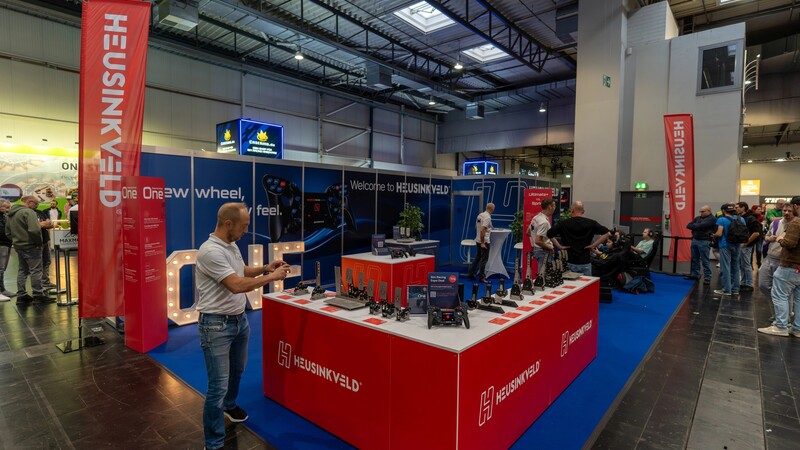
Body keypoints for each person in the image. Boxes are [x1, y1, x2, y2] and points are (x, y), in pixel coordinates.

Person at [195, 202, 289, 450]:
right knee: (217, 386)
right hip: (216, 325)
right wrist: (271, 278)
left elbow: (241, 271)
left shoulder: (231, 244)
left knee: (237, 371)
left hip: (239, 320)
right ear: (228, 224)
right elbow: (235, 284)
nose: (246, 230)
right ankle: (213, 443)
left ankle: (230, 406)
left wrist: (264, 268)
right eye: (244, 226)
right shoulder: (209, 251)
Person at [758, 196, 800, 337]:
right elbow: (768, 236)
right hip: (783, 262)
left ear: (796, 207)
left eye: (790, 208)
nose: (787, 212)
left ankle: (781, 324)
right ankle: (797, 328)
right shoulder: (777, 223)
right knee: (796, 298)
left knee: (781, 295)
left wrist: (781, 238)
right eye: (784, 209)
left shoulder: (796, 223)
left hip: (789, 265)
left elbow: (789, 243)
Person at [5, 196, 51, 304]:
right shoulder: (28, 212)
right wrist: (39, 243)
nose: (36, 206)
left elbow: (7, 232)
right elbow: (34, 230)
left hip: (19, 246)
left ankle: (21, 295)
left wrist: (16, 241)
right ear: (30, 202)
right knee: (36, 270)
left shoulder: (10, 214)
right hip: (31, 246)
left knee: (22, 270)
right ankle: (38, 295)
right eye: (36, 204)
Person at [547, 201, 611, 276]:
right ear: (583, 211)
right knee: (586, 286)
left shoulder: (564, 223)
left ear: (572, 210)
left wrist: (559, 246)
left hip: (569, 261)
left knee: (571, 286)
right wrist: (594, 245)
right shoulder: (591, 223)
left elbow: (549, 234)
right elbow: (607, 233)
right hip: (585, 262)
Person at [713, 203, 744, 297]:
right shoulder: (741, 219)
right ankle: (735, 289)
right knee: (736, 267)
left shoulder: (721, 219)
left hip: (725, 245)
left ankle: (726, 290)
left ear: (723, 211)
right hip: (737, 245)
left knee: (725, 267)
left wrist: (713, 236)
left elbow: (719, 233)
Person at [685, 205, 716, 285]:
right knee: (694, 259)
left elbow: (699, 226)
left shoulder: (712, 219)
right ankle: (695, 274)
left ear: (709, 211)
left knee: (705, 260)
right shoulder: (698, 218)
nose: (701, 213)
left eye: (703, 211)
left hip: (705, 241)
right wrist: (697, 226)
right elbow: (688, 225)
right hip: (695, 239)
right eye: (700, 211)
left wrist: (695, 226)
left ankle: (707, 277)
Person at [736, 202, 761, 293]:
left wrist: (746, 242)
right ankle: (744, 282)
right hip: (742, 245)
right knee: (742, 265)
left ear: (743, 208)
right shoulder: (742, 218)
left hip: (746, 246)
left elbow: (756, 233)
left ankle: (749, 284)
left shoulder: (750, 218)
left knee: (746, 265)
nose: (736, 209)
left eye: (737, 207)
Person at [467, 203, 494, 282]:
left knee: (478, 257)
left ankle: (471, 274)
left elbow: (477, 227)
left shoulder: (480, 215)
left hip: (478, 239)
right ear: (492, 209)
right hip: (484, 241)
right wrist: (482, 242)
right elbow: (482, 230)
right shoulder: (487, 217)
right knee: (484, 259)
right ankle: (482, 277)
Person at [528, 198, 556, 274]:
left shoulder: (536, 218)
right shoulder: (544, 222)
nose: (554, 209)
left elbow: (528, 232)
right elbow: (538, 241)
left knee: (542, 274)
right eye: (554, 206)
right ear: (550, 207)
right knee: (544, 276)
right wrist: (550, 248)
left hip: (537, 251)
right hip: (544, 251)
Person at [35, 207, 57, 291]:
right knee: (37, 264)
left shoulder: (41, 212)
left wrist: (41, 224)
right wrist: (42, 224)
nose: (37, 204)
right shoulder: (28, 213)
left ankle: (46, 282)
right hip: (35, 242)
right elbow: (34, 226)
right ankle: (39, 285)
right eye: (35, 202)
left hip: (45, 240)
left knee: (47, 261)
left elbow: (50, 224)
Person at [0, 200, 13, 300]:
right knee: (0, 267)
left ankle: (2, 289)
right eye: (5, 207)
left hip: (6, 243)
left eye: (8, 207)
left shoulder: (5, 216)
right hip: (2, 243)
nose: (7, 209)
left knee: (2, 268)